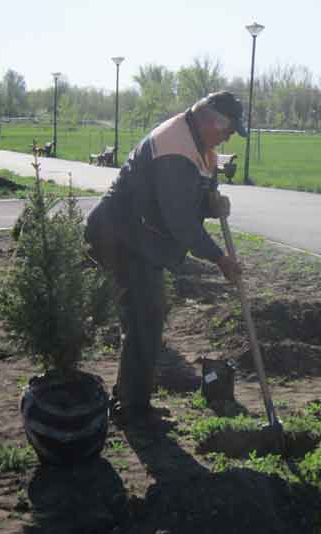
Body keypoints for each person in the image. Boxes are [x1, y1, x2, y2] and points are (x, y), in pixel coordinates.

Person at [84, 91, 245, 418]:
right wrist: (220, 259)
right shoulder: (174, 146)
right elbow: (180, 221)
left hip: (141, 239)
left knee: (146, 318)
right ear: (209, 119)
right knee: (144, 317)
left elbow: (193, 199)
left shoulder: (202, 148)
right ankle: (132, 409)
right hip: (120, 236)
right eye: (228, 129)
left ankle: (130, 400)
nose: (229, 137)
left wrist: (212, 206)